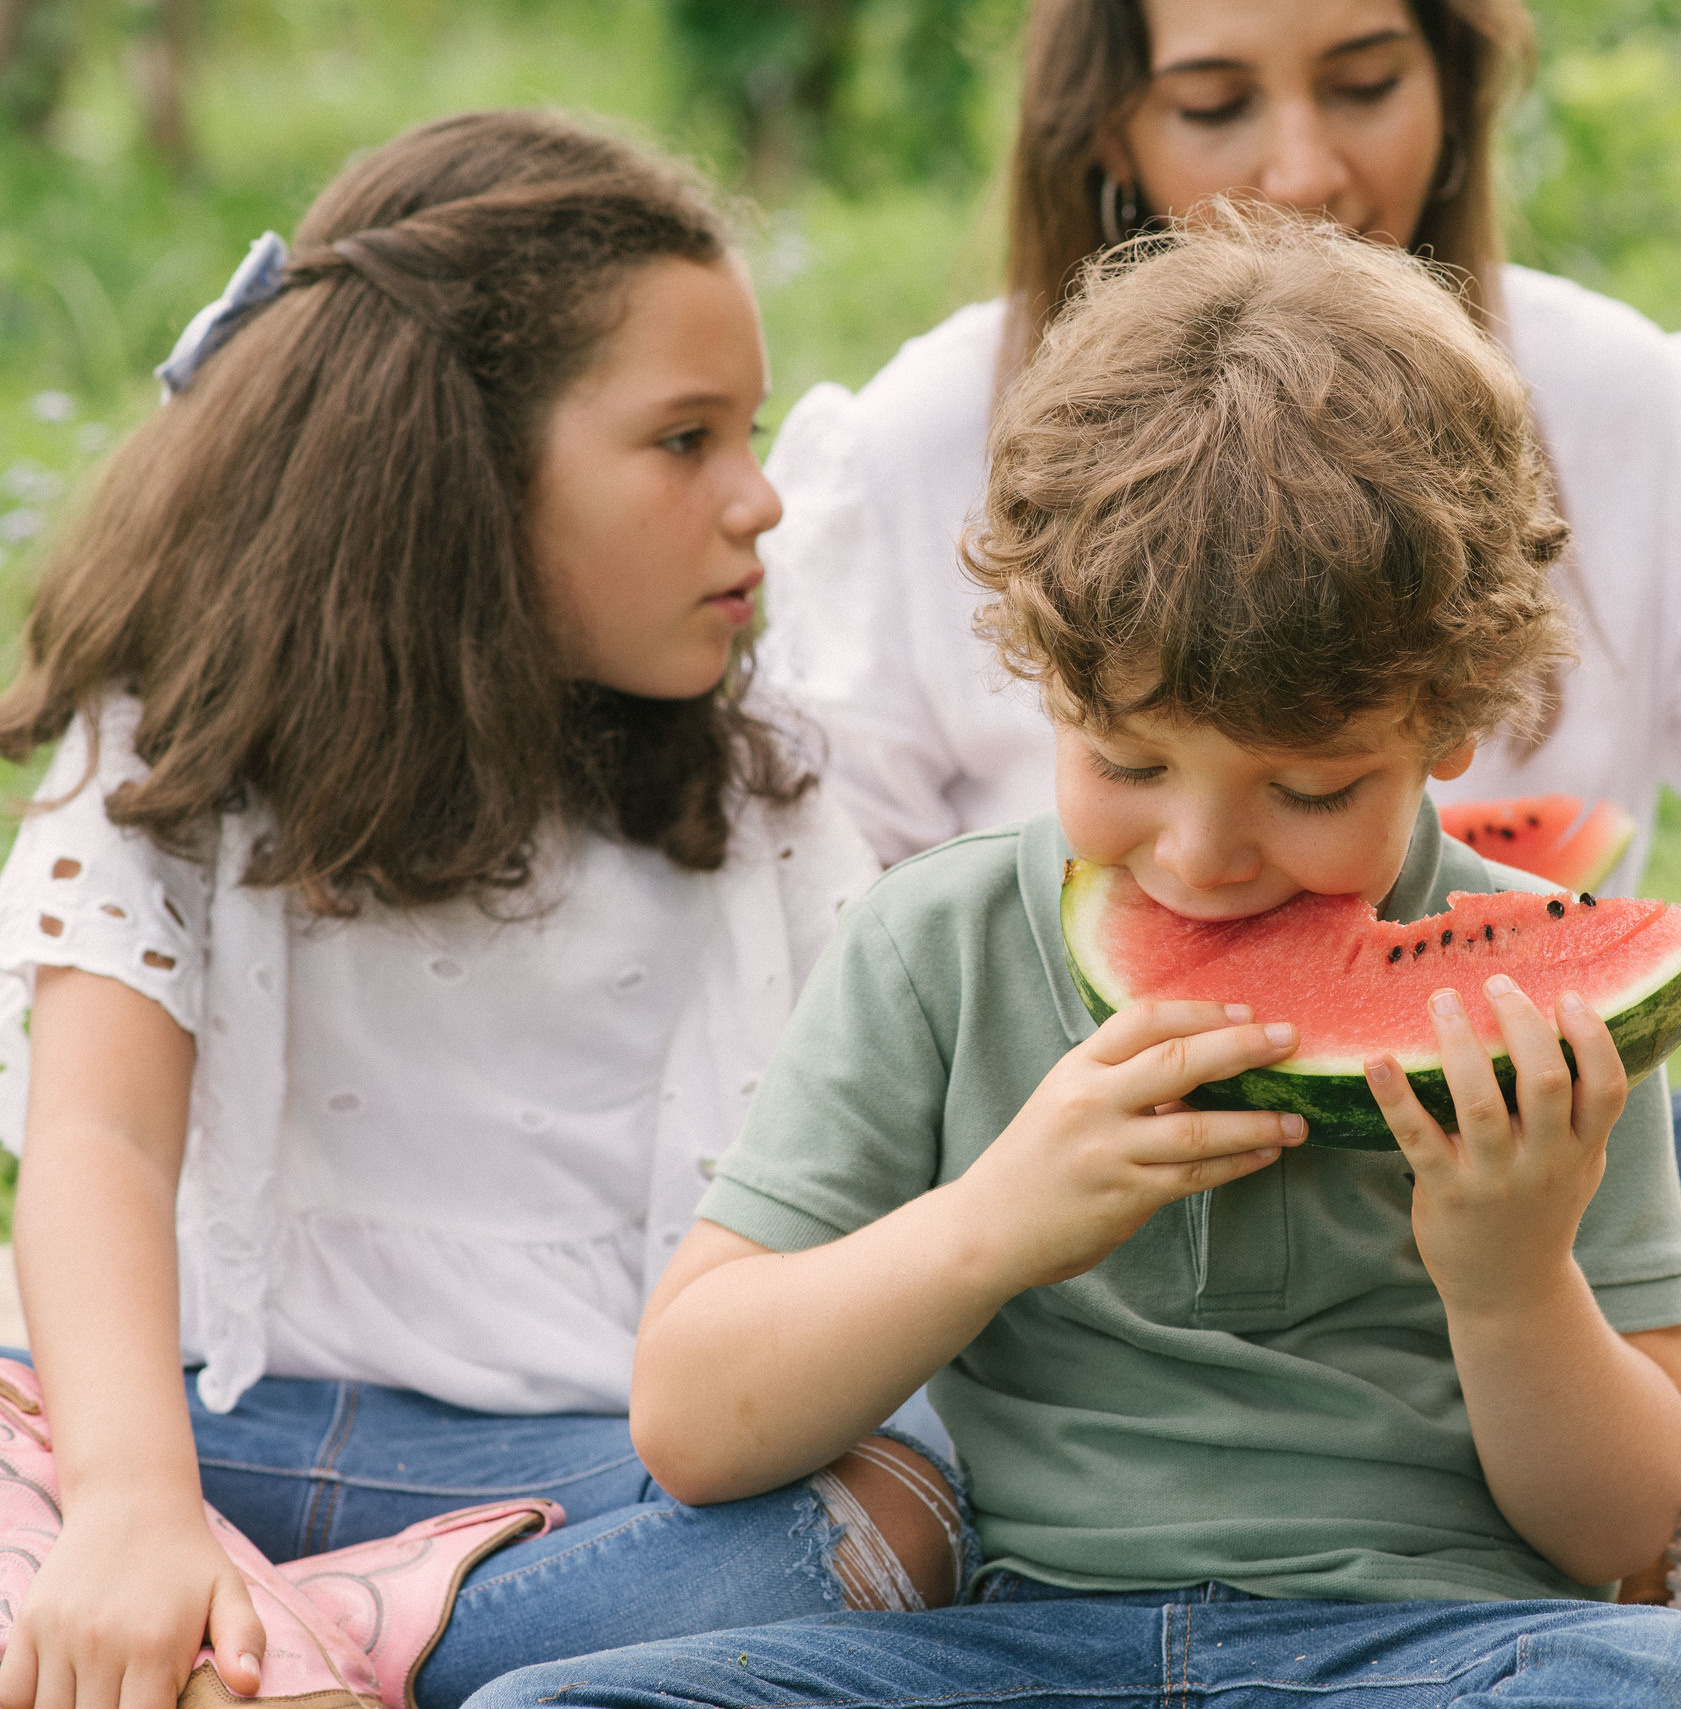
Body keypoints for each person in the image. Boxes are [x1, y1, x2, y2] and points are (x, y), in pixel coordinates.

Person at [751, 0, 1681, 1396]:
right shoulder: (921, 439)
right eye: (1217, 105)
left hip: (1524, 1177)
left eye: (1364, 83)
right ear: (1106, 132)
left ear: (1458, 81)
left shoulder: (1612, 397)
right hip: (1096, 1257)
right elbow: (821, 942)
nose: (1300, 166)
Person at [469, 211, 1681, 1709]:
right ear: (1043, 676)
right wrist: (998, 1221)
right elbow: (694, 1415)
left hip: (1421, 1654)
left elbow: (1623, 1531)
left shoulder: (1532, 1016)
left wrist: (1509, 1279)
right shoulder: (935, 946)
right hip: (1023, 1652)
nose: (1202, 855)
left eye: (1308, 789)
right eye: (1125, 759)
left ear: (1449, 721)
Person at [0, 110, 969, 1709]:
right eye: (686, 440)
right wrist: (131, 1507)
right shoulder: (174, 744)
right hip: (186, 1427)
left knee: (887, 1509)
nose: (762, 498)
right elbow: (101, 1142)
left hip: (584, 1477)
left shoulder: (765, 811)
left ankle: (280, 1657)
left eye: (754, 432)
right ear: (455, 467)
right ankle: (214, 1627)